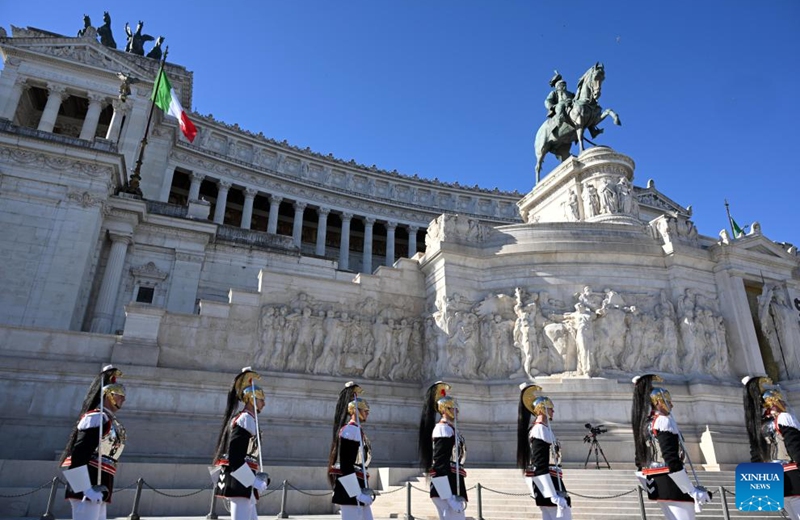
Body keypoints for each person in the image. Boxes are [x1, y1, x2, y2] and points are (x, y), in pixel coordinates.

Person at [631, 374, 710, 520]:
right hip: (672, 481)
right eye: (669, 401)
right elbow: (671, 460)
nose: (671, 405)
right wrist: (691, 490)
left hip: (656, 480)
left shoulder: (645, 423)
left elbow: (640, 461)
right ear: (659, 402)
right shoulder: (663, 421)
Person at [60, 365, 126, 520]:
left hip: (101, 483)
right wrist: (85, 488)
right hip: (88, 483)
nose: (123, 398)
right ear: (108, 395)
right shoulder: (96, 418)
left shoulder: (109, 420)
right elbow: (78, 454)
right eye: (119, 394)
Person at [212, 367, 270, 520]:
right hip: (240, 480)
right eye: (261, 399)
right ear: (252, 399)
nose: (264, 403)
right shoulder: (244, 420)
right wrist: (253, 481)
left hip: (246, 479)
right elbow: (235, 458)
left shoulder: (249, 419)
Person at [517, 383, 571, 519]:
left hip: (553, 481)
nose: (553, 411)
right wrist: (551, 494)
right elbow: (539, 465)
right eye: (550, 408)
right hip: (550, 484)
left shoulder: (545, 429)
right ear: (541, 409)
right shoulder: (539, 430)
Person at [419, 381, 467, 519]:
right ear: (445, 410)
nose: (457, 411)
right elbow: (439, 464)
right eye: (453, 408)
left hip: (453, 481)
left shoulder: (449, 428)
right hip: (446, 486)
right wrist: (449, 497)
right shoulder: (443, 429)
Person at [327, 381, 375, 519]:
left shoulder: (356, 430)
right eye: (365, 410)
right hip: (350, 487)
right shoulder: (349, 431)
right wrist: (357, 493)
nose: (367, 413)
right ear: (355, 411)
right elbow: (346, 464)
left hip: (358, 482)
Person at [760, 385, 800, 518]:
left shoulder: (763, 426)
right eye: (780, 400)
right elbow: (794, 446)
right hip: (793, 475)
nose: (783, 403)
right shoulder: (784, 418)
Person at [544, 71, 575, 137]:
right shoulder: (554, 93)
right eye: (561, 85)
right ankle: (560, 121)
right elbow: (547, 100)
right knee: (560, 106)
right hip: (560, 105)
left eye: (564, 85)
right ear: (557, 86)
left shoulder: (571, 93)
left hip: (570, 104)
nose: (563, 86)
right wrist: (551, 106)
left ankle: (592, 129)